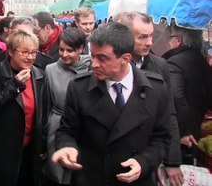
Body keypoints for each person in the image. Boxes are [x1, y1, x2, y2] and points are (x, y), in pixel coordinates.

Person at [52, 23, 171, 186]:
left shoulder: (156, 90)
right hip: (92, 178)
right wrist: (68, 146)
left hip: (137, 181)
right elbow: (67, 131)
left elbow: (162, 138)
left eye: (102, 58)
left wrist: (144, 162)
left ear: (126, 59)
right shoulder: (79, 88)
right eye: (92, 56)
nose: (93, 64)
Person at [115, 12, 184, 186]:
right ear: (126, 36)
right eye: (143, 37)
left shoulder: (159, 66)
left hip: (147, 156)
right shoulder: (111, 64)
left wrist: (172, 161)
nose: (150, 42)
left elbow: (169, 115)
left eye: (151, 35)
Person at [0, 30, 48, 186]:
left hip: (30, 149)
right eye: (25, 52)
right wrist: (13, 86)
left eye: (34, 52)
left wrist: (42, 144)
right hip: (3, 148)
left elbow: (43, 113)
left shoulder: (39, 75)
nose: (30, 57)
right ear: (11, 52)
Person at [43, 28, 91, 186]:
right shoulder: (50, 70)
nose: (64, 54)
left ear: (81, 49)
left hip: (85, 128)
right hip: (57, 127)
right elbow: (47, 105)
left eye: (70, 50)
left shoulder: (91, 68)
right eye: (61, 49)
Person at [162, 23, 212, 165]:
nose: (168, 41)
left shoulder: (174, 63)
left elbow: (175, 96)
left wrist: (183, 130)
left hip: (180, 132)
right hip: (195, 125)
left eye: (170, 37)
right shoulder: (201, 61)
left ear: (178, 40)